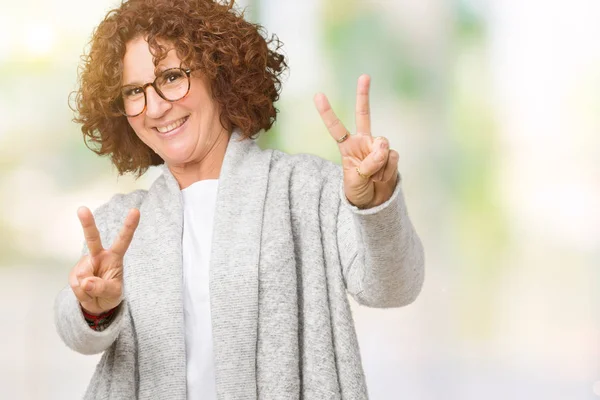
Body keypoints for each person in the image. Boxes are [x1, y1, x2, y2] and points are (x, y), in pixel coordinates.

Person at [53, 0, 425, 399]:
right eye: (134, 91)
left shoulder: (307, 190)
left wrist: (375, 206)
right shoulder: (119, 223)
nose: (156, 106)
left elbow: (394, 288)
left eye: (173, 77)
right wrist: (96, 310)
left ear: (219, 72)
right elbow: (76, 333)